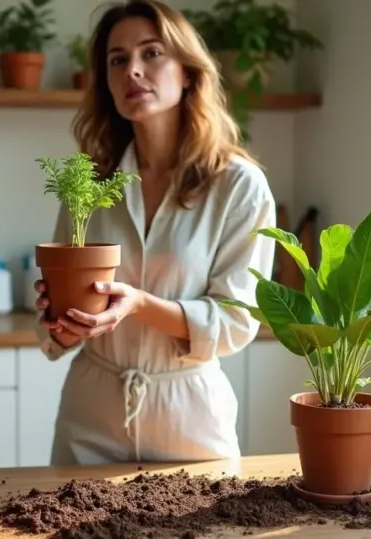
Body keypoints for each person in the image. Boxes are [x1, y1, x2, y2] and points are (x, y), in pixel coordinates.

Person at [34, 0, 277, 466]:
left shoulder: (237, 185)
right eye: (118, 59)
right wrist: (59, 324)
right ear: (105, 81)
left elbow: (235, 321)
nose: (134, 71)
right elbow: (56, 329)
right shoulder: (89, 181)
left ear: (188, 71)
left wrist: (139, 305)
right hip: (91, 419)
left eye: (152, 53)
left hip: (190, 422)